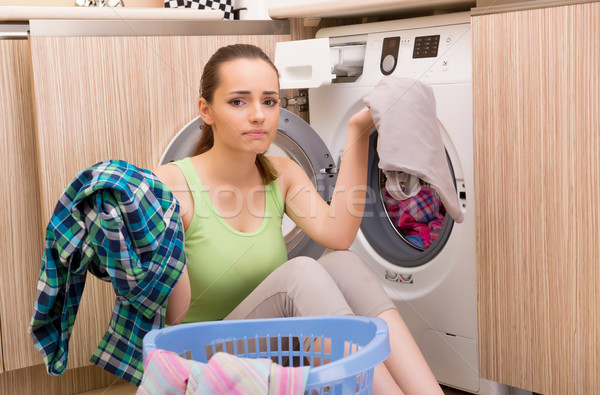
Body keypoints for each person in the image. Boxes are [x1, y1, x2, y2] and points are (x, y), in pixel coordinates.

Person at [153, 43, 442, 395]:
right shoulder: (169, 184)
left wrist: (357, 130)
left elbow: (337, 235)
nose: (259, 115)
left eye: (270, 101)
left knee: (342, 263)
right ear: (206, 110)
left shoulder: (281, 173)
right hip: (204, 367)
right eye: (238, 101)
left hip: (274, 358)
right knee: (300, 272)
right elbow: (172, 317)